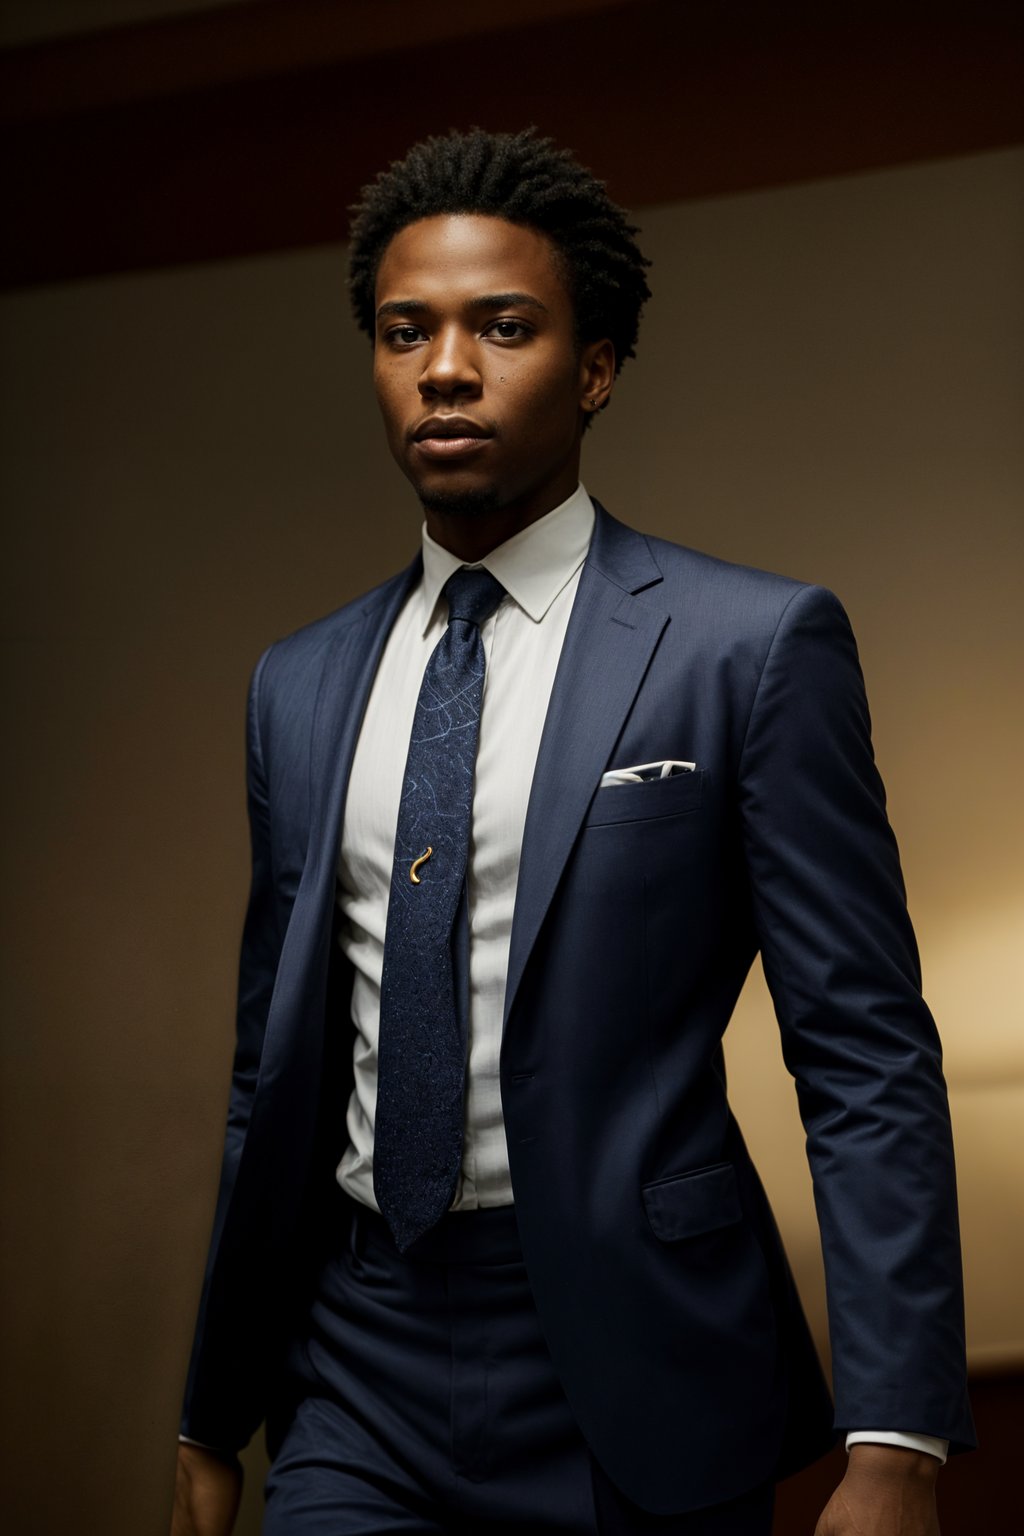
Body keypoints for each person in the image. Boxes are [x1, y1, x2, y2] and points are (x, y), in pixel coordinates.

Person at [171, 129, 973, 1536]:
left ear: (593, 368)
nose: (446, 368)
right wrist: (211, 1404)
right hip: (357, 1361)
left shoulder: (748, 648)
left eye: (504, 327)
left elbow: (864, 1054)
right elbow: (273, 1074)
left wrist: (896, 1437)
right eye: (404, 331)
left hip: (639, 1359)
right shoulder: (294, 686)